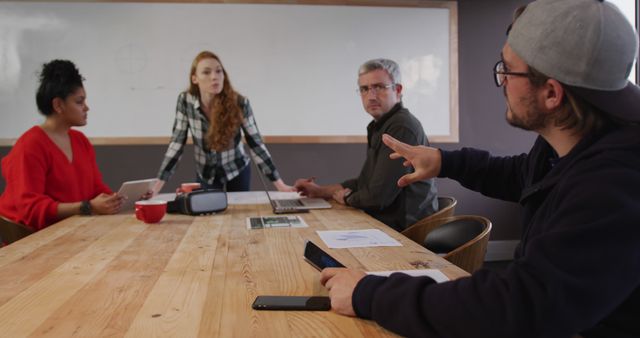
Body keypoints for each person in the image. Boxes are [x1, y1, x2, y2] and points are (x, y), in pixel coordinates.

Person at [320, 1, 640, 337]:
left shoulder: (615, 183)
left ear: (551, 93)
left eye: (507, 69)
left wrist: (368, 293)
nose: (500, 80)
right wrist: (444, 162)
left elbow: (517, 306)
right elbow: (521, 175)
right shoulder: (569, 144)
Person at [294, 58, 438, 232]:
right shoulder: (380, 125)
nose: (371, 96)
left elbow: (378, 197)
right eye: (364, 89)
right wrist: (319, 191)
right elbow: (365, 183)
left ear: (397, 90)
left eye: (378, 87)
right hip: (385, 224)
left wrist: (347, 198)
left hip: (406, 233)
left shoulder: (400, 127)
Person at [0, 60, 124, 231]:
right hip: (31, 240)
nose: (86, 108)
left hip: (70, 231)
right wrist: (88, 207)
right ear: (58, 105)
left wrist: (118, 199)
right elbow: (31, 209)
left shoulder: (80, 140)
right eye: (79, 102)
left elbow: (95, 188)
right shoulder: (30, 145)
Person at [154, 51, 293, 193]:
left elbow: (256, 144)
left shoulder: (240, 103)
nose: (214, 77)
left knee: (239, 213)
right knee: (207, 212)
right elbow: (176, 145)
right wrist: (154, 189)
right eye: (206, 72)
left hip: (237, 170)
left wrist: (281, 186)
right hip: (206, 174)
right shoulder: (185, 101)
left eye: (219, 71)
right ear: (195, 79)